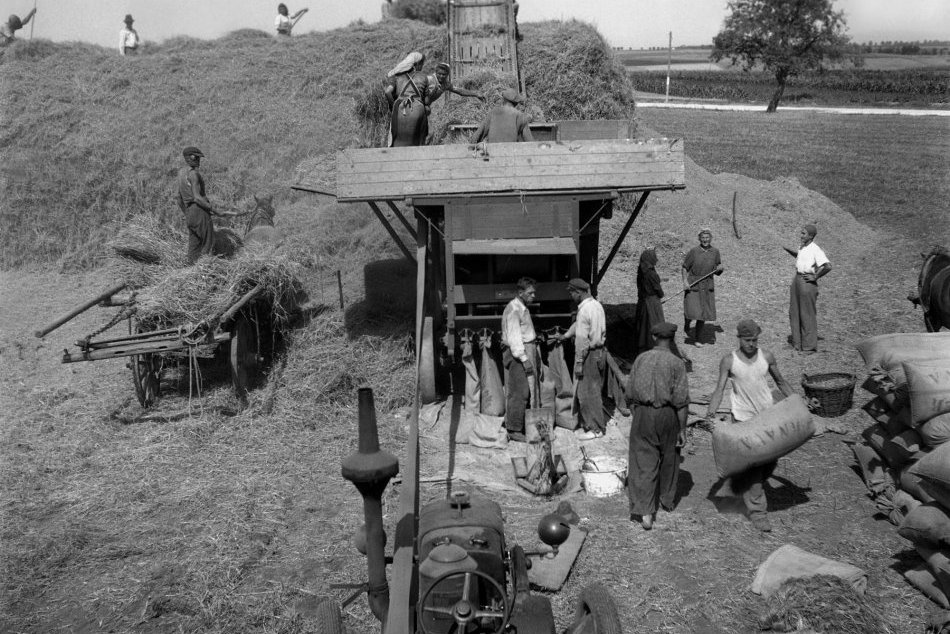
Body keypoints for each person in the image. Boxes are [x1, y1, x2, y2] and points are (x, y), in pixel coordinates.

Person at [705, 319, 794, 532]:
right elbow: (719, 389)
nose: (751, 344)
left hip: (768, 419)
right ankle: (757, 513)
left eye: (754, 340)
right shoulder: (729, 361)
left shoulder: (767, 357)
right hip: (744, 421)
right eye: (747, 340)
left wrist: (797, 404)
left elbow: (781, 382)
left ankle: (745, 483)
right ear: (739, 339)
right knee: (754, 471)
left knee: (769, 464)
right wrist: (710, 414)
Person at [625, 322, 689, 530]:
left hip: (643, 413)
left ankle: (645, 512)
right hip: (667, 414)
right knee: (670, 455)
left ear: (653, 338)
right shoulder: (676, 363)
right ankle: (667, 500)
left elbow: (629, 395)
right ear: (672, 339)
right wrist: (682, 429)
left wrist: (639, 414)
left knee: (643, 460)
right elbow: (681, 400)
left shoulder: (641, 359)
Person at [557, 278, 606, 440]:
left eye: (571, 292)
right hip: (600, 352)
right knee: (594, 390)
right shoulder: (595, 305)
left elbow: (582, 341)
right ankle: (593, 424)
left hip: (589, 355)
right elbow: (579, 325)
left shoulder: (584, 310)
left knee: (587, 393)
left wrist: (579, 362)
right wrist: (565, 336)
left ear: (578, 292)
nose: (571, 296)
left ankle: (596, 429)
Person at [176, 147, 236, 265]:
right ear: (190, 158)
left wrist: (187, 213)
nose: (199, 160)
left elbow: (179, 198)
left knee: (194, 247)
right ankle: (203, 272)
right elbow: (197, 198)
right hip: (200, 212)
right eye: (196, 157)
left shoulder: (181, 173)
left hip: (190, 213)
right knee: (208, 244)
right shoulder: (193, 174)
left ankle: (190, 271)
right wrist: (216, 211)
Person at [501, 277, 539, 442]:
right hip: (519, 354)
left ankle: (519, 424)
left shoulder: (522, 307)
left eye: (534, 293)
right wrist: (524, 359)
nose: (533, 296)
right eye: (530, 293)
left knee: (526, 390)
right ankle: (513, 429)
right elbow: (515, 338)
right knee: (519, 392)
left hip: (525, 350)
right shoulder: (514, 310)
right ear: (520, 292)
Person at [784, 224, 831, 354]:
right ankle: (797, 343)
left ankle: (809, 346)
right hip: (797, 279)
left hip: (807, 281)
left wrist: (815, 276)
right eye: (801, 233)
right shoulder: (802, 247)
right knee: (794, 311)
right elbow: (801, 258)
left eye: (803, 233)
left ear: (811, 236)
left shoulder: (815, 249)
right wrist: (789, 250)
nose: (801, 235)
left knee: (807, 314)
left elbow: (827, 266)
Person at [681, 228, 724, 346]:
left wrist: (720, 269)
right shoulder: (693, 252)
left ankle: (698, 338)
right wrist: (685, 282)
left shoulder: (715, 252)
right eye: (703, 238)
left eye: (707, 238)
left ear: (710, 239)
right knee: (691, 310)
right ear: (699, 239)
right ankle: (687, 323)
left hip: (707, 286)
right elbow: (685, 267)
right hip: (693, 284)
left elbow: (716, 269)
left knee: (702, 314)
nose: (705, 240)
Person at [383, 51, 431, 147]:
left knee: (395, 137)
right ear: (417, 64)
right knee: (427, 118)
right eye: (422, 64)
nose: (422, 67)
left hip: (400, 106)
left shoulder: (396, 76)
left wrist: (393, 107)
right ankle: (424, 141)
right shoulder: (423, 77)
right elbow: (426, 101)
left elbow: (387, 92)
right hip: (418, 106)